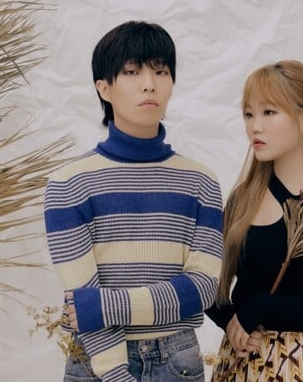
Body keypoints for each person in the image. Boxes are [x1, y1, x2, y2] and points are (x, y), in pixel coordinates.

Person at [44, 21, 223, 382]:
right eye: (131, 72)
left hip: (176, 359)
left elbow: (202, 288)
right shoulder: (68, 183)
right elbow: (84, 300)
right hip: (96, 358)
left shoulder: (201, 182)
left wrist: (105, 306)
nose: (149, 84)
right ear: (104, 88)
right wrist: (116, 373)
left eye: (161, 71)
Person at [205, 60, 303, 381]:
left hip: (296, 364)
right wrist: (233, 322)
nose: (255, 127)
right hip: (239, 362)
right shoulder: (243, 199)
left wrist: (260, 308)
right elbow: (208, 280)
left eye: (268, 112)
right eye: (249, 114)